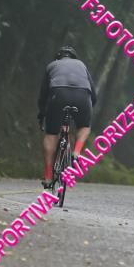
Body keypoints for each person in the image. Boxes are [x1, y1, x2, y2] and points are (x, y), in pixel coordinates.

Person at [37, 46, 97, 188]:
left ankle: (48, 177)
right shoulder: (81, 65)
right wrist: (87, 110)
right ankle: (76, 152)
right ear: (74, 57)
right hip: (82, 95)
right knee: (85, 127)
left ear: (58, 58)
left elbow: (43, 95)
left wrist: (42, 114)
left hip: (58, 94)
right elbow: (93, 94)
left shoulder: (52, 65)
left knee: (51, 134)